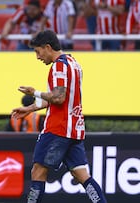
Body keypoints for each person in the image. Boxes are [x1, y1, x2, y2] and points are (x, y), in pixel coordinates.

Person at [12, 30, 107, 203]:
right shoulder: (74, 63)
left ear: (47, 47)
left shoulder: (59, 66)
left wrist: (36, 92)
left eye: (37, 51)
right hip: (74, 129)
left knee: (38, 172)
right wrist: (31, 108)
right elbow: (63, 98)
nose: (38, 57)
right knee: (81, 175)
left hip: (58, 129)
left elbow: (58, 97)